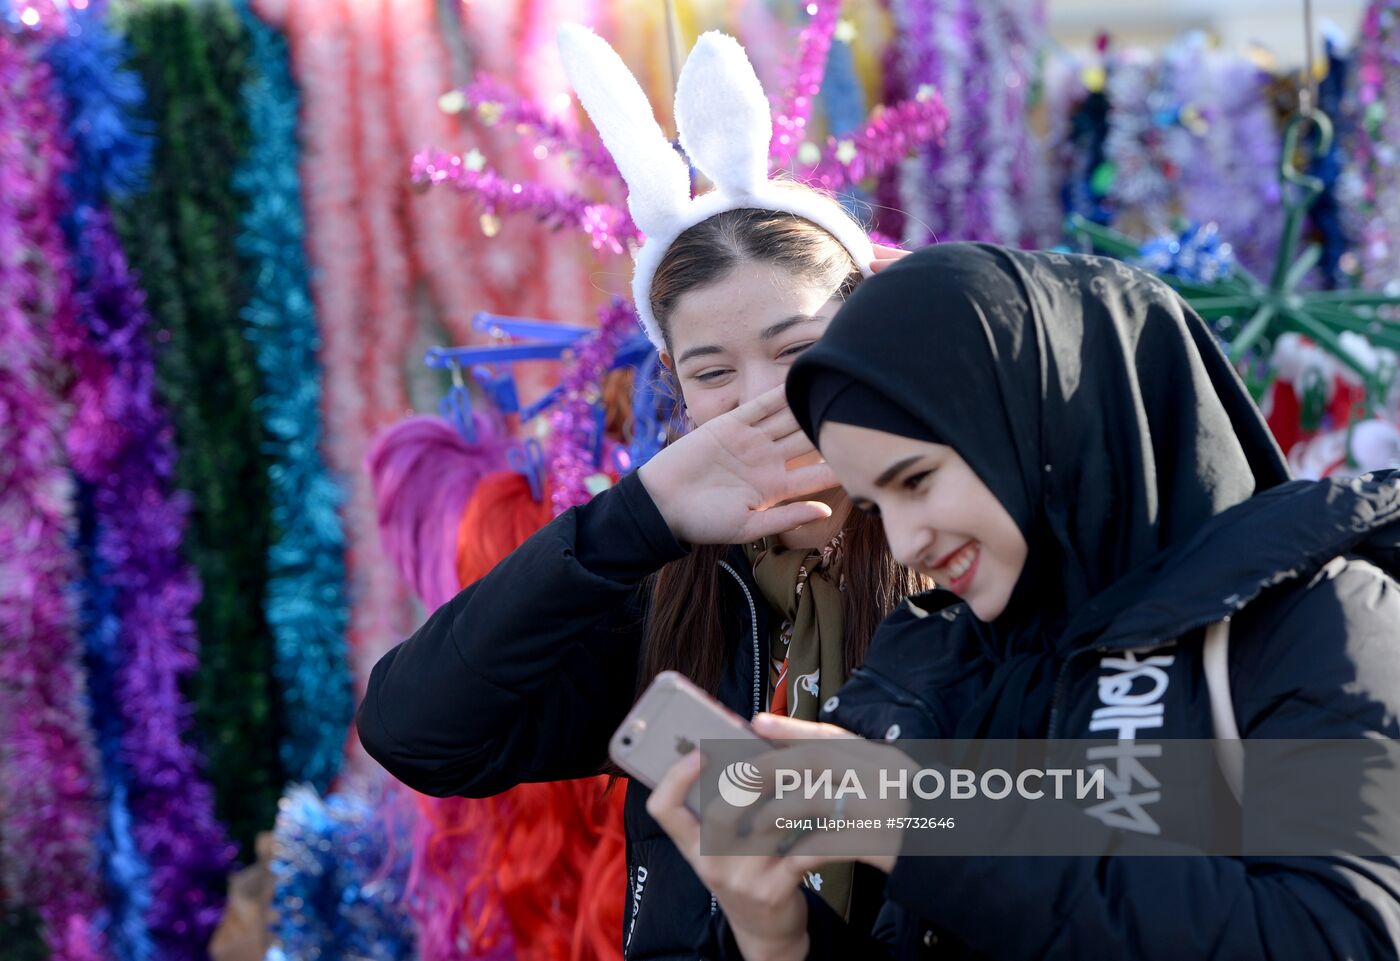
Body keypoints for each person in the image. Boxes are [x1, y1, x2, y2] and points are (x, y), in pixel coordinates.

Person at [646, 242, 1400, 960]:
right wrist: (778, 935)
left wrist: (923, 819)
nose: (907, 542)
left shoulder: (1320, 618)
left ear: (1038, 421)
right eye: (876, 506)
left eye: (916, 480)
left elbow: (1335, 932)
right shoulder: (942, 663)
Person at [355, 25, 925, 960]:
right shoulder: (677, 589)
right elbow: (417, 731)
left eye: (795, 350)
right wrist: (635, 519)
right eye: (712, 372)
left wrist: (844, 807)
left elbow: (1137, 812)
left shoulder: (964, 552)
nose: (760, 399)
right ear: (674, 385)